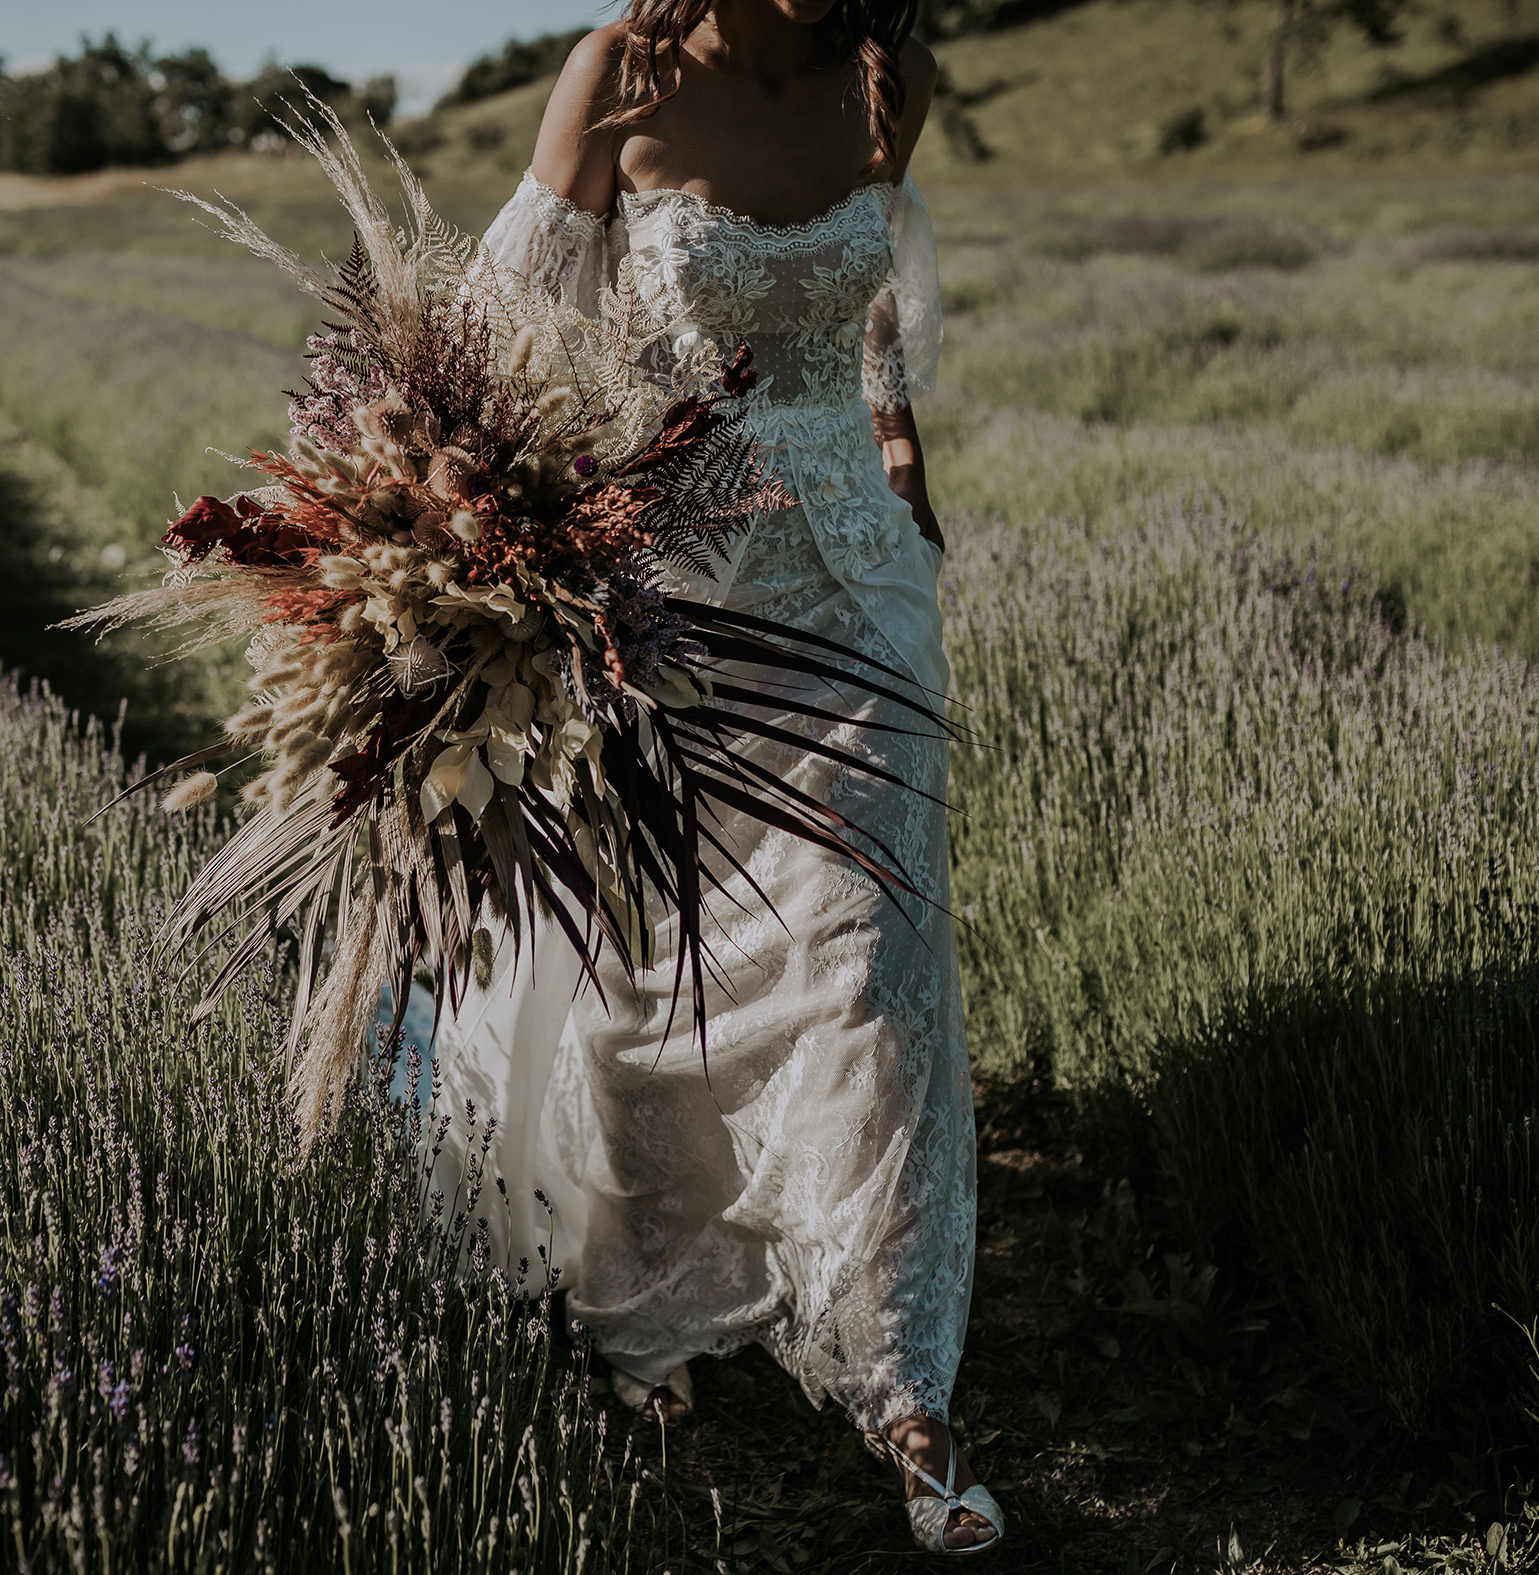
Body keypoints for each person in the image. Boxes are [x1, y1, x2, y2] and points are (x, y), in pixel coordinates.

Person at [430, 0, 1001, 1555]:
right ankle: (645, 1315)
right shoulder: (615, 73)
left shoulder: (888, 72)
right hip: (667, 591)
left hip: (860, 591)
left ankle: (899, 1378)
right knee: (640, 958)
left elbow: (872, 308)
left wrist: (900, 462)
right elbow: (499, 327)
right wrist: (485, 538)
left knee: (866, 954)